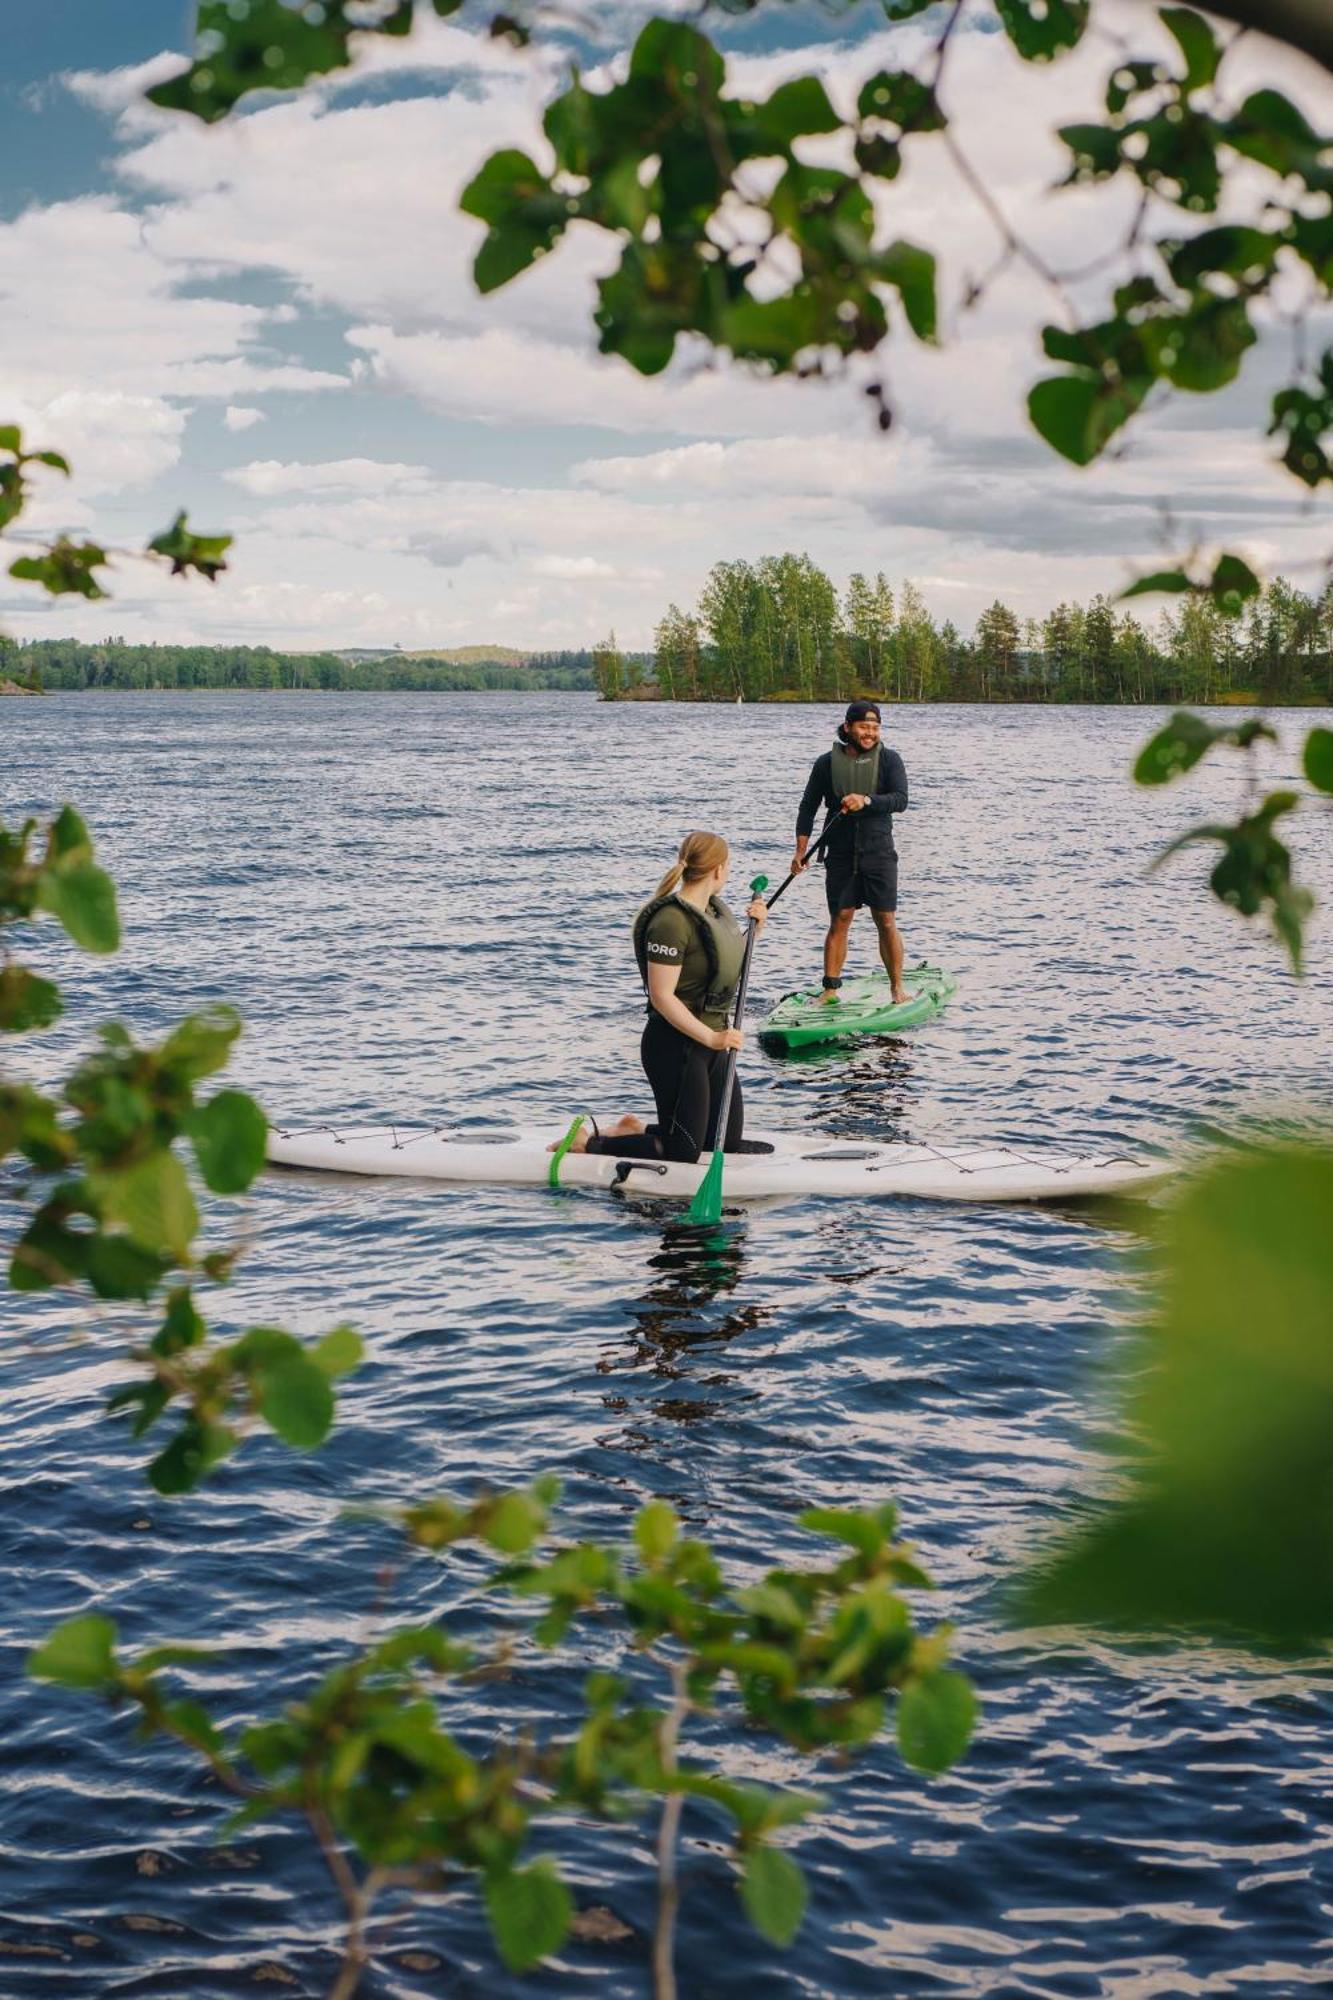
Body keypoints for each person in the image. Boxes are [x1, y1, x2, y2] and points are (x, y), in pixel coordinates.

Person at [553, 831, 769, 1162]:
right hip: (676, 1045)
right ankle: (588, 1143)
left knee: (725, 1142)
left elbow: (718, 964)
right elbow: (662, 996)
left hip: (714, 1042)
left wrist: (757, 928)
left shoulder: (712, 913)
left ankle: (633, 1129)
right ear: (719, 870)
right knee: (684, 1152)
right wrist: (712, 1038)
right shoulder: (670, 922)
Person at [791, 698, 910, 1004]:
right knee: (840, 919)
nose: (870, 733)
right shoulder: (826, 763)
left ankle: (897, 988)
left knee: (885, 920)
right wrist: (800, 851)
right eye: (864, 727)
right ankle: (830, 990)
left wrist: (868, 800)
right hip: (841, 853)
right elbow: (808, 807)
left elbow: (900, 800)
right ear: (848, 727)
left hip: (879, 853)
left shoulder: (890, 760)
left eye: (875, 727)